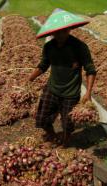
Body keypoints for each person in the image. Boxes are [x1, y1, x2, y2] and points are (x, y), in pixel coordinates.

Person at [27, 9, 96, 146]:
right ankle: (52, 135)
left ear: (70, 29)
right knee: (41, 119)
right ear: (52, 32)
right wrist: (29, 79)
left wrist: (88, 93)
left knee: (68, 124)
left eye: (64, 31)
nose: (60, 35)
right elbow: (43, 65)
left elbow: (91, 70)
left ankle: (65, 141)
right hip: (51, 89)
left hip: (70, 94)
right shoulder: (49, 47)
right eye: (57, 32)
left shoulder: (80, 47)